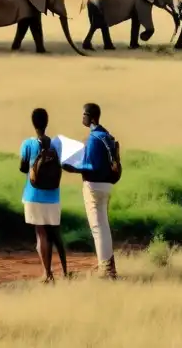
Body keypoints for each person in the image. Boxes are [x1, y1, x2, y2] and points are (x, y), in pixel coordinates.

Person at [62, 102, 118, 279]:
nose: (82, 118)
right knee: (103, 226)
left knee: (97, 227)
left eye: (84, 115)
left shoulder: (94, 138)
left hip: (94, 186)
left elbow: (91, 166)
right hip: (106, 185)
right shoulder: (106, 136)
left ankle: (106, 270)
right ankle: (107, 265)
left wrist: (71, 167)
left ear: (92, 117)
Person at [18, 107, 68, 283]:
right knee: (55, 234)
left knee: (41, 235)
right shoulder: (57, 144)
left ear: (33, 124)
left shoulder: (28, 144)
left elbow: (23, 168)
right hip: (53, 196)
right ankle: (65, 271)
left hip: (34, 195)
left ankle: (47, 273)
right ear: (47, 123)